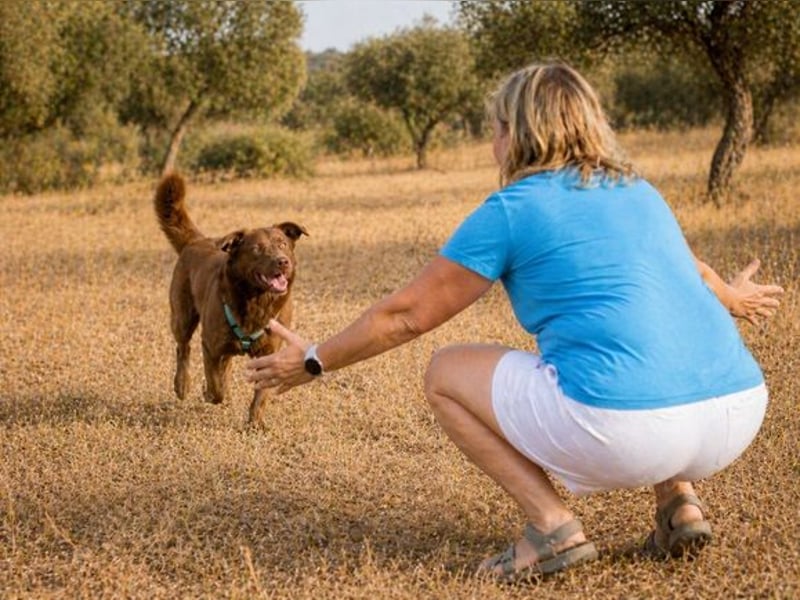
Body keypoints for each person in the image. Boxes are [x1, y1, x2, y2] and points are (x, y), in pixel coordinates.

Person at [246, 62, 784, 583]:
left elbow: (407, 316)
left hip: (626, 429)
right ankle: (680, 503)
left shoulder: (512, 208)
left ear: (516, 132)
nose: (493, 143)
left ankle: (553, 529)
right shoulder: (638, 191)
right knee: (642, 339)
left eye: (496, 129)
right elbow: (693, 270)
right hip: (736, 411)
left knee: (446, 372)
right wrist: (730, 297)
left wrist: (313, 360)